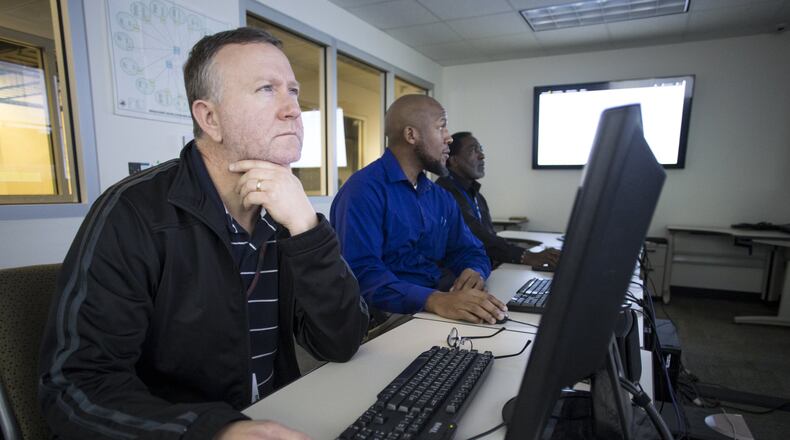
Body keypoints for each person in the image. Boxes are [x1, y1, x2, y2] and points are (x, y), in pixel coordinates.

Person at [38, 27, 368, 440]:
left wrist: (307, 230)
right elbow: (74, 385)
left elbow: (341, 341)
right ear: (209, 117)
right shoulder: (133, 213)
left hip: (273, 418)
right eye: (267, 89)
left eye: (294, 91)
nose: (293, 110)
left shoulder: (288, 213)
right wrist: (216, 432)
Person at [330, 95, 507, 326]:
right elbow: (362, 275)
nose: (449, 138)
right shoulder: (362, 192)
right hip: (387, 315)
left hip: (440, 302)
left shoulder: (439, 197)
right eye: (441, 126)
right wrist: (435, 300)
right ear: (411, 135)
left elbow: (470, 249)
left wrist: (475, 271)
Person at [436, 132, 560, 269]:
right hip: (458, 278)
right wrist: (526, 255)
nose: (482, 156)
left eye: (480, 149)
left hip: (480, 269)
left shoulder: (476, 195)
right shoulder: (444, 192)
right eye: (473, 150)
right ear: (454, 160)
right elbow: (477, 238)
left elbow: (489, 237)